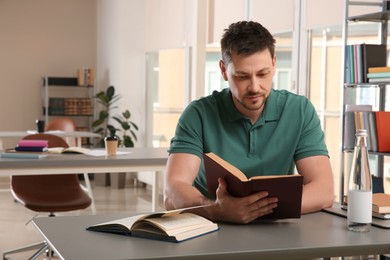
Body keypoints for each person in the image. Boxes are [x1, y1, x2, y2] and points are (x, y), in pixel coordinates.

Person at [164, 20, 334, 224]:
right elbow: (174, 188)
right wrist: (217, 210)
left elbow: (324, 190)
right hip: (209, 227)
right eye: (242, 76)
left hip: (274, 232)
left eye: (263, 74)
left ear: (274, 63)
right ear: (224, 70)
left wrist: (252, 210)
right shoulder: (198, 114)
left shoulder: (300, 110)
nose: (255, 87)